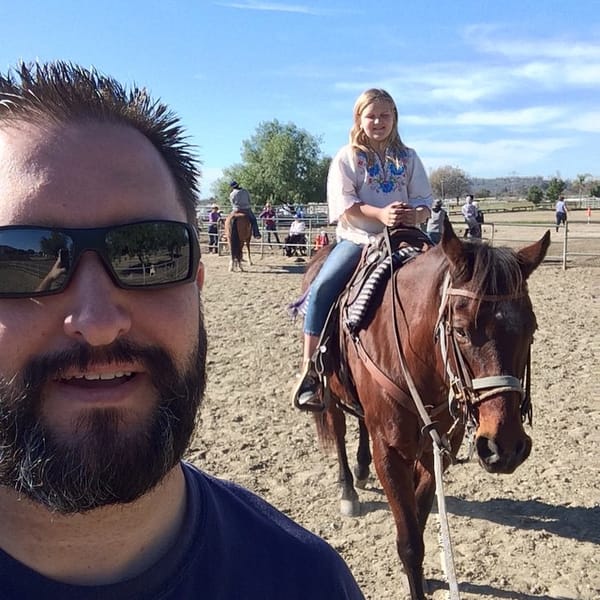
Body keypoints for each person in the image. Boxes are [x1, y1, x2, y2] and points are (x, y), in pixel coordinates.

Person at [0, 61, 364, 600]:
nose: (99, 324)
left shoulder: (310, 582)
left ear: (196, 281)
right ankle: (314, 356)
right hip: (358, 233)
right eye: (21, 257)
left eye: (151, 249)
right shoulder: (346, 161)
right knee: (326, 287)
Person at [292, 88, 432, 411]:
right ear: (359, 119)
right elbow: (347, 206)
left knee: (452, 278)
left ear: (395, 117)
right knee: (323, 288)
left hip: (406, 236)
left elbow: (425, 201)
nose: (379, 122)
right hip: (360, 240)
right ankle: (310, 370)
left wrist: (415, 214)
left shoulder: (408, 157)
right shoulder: (347, 158)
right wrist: (381, 215)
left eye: (385, 115)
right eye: (371, 116)